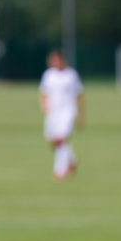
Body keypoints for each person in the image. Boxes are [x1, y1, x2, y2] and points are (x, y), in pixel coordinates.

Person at [39, 50, 84, 181]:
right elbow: (43, 92)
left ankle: (60, 170)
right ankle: (71, 159)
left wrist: (81, 115)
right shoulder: (48, 75)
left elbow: (79, 94)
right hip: (53, 112)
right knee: (52, 141)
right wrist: (44, 105)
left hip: (67, 111)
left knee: (61, 139)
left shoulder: (71, 75)